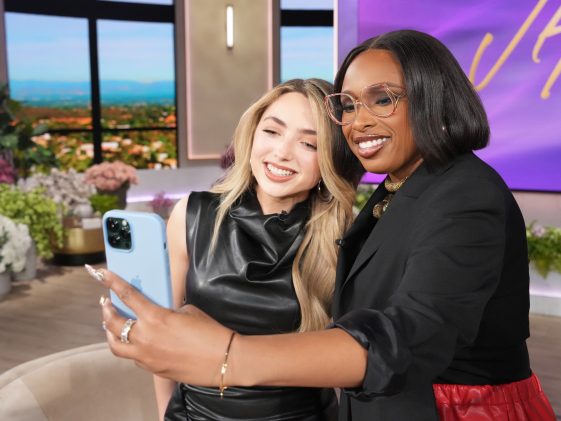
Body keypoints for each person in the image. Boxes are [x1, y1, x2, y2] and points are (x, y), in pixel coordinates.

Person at [90, 30, 556, 420]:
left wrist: (228, 355)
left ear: (432, 96)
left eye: (382, 99)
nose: (359, 122)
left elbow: (409, 335)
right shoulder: (397, 190)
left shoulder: (464, 193)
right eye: (348, 105)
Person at [89, 78, 362, 420]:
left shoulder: (343, 235)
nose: (281, 152)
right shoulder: (192, 215)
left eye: (309, 143)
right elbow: (163, 335)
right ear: (252, 134)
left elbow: (351, 360)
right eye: (272, 131)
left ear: (331, 159)